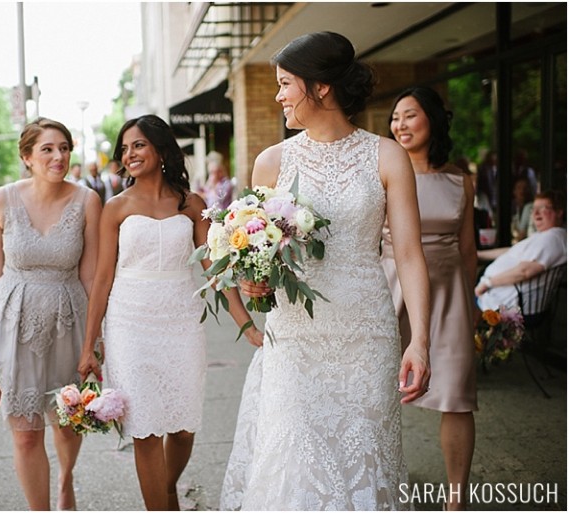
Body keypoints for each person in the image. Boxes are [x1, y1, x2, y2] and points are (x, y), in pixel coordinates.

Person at [220, 32, 431, 511]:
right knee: (296, 460)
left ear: (321, 88)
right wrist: (255, 283)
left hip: (366, 336)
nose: (278, 96)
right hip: (295, 337)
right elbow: (263, 262)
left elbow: (410, 255)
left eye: (285, 84)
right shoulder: (271, 162)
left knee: (364, 465)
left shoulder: (386, 156)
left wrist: (419, 339)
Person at [77, 114, 263, 511]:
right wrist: (90, 345)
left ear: (161, 148)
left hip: (181, 319)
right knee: (144, 429)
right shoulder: (116, 208)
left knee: (182, 429)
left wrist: (245, 323)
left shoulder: (190, 203)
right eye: (124, 149)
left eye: (138, 145)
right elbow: (102, 279)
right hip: (130, 322)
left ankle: (166, 489)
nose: (129, 154)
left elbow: (215, 269)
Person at [0, 117, 101, 511]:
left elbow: (91, 274)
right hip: (12, 321)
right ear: (27, 157)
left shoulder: (87, 201)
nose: (59, 156)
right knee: (26, 434)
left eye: (64, 147)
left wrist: (95, 339)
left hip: (69, 319)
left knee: (67, 421)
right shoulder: (1, 200)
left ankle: (66, 482)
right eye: (48, 149)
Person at [382, 86, 478, 511]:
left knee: (457, 393)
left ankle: (456, 499)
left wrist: (471, 304)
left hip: (450, 293)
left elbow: (468, 247)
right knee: (375, 389)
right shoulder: (383, 169)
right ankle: (375, 486)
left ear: (433, 120)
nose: (399, 125)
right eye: (395, 117)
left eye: (410, 116)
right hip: (389, 285)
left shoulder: (461, 179)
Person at [476, 190, 566, 311]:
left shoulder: (553, 238)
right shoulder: (544, 236)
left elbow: (525, 271)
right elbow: (512, 251)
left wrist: (487, 283)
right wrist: (479, 255)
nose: (536, 213)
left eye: (543, 208)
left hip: (504, 305)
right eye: (533, 209)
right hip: (496, 298)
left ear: (559, 212)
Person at [511, 176, 535, 243]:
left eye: (525, 188)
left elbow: (521, 235)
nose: (522, 191)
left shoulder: (529, 207)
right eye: (519, 188)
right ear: (514, 191)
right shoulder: (516, 207)